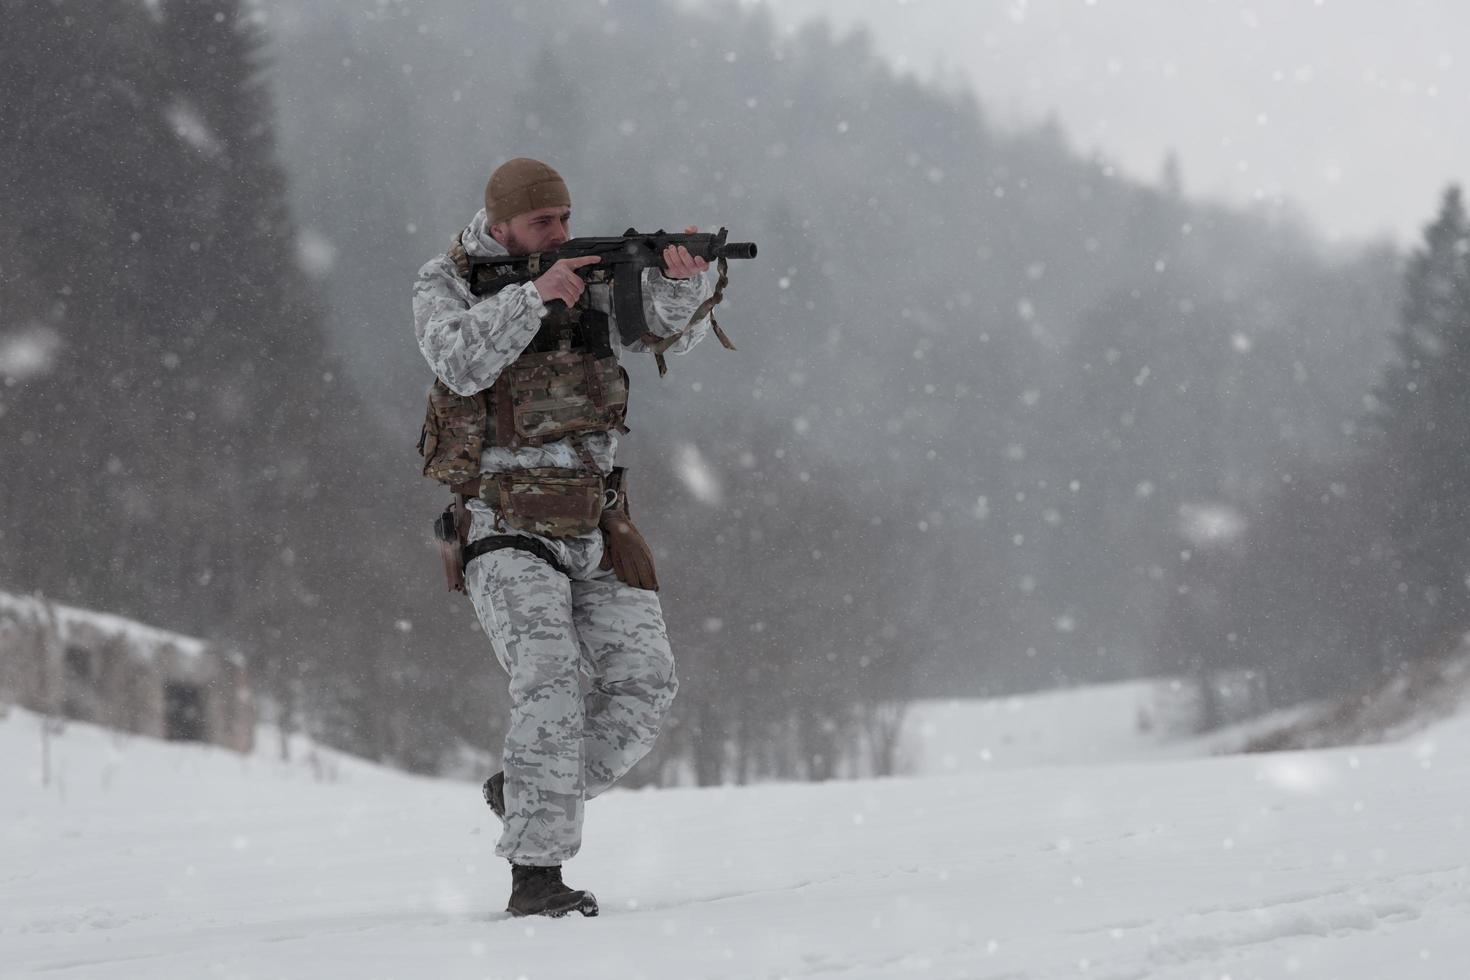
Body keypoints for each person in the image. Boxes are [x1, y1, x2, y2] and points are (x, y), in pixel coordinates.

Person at [412, 158, 715, 917]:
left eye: (566, 219)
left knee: (646, 685)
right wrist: (532, 296)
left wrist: (680, 278)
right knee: (546, 678)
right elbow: (456, 360)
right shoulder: (445, 282)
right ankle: (536, 877)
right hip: (502, 522)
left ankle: (526, 792)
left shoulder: (593, 277)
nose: (561, 233)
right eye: (544, 223)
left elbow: (658, 335)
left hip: (594, 520)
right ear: (503, 223)